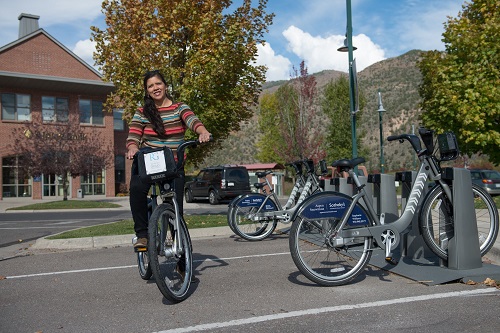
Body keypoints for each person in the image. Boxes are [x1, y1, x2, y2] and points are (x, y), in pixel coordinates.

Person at [126, 70, 211, 249]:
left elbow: (192, 120)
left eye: (158, 84)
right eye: (150, 86)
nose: (155, 88)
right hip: (150, 163)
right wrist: (133, 147)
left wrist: (202, 131)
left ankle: (183, 261)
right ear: (146, 90)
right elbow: (133, 134)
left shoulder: (179, 107)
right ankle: (142, 235)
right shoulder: (142, 112)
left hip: (174, 164)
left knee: (175, 210)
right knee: (136, 189)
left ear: (165, 85)